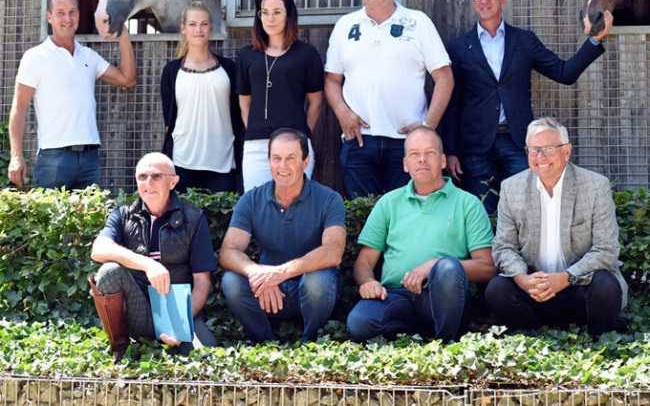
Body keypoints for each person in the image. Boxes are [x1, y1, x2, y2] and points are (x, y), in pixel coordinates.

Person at [441, 0, 614, 216]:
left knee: (525, 212)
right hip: (475, 147)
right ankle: (489, 256)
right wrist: (450, 151)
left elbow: (564, 73)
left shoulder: (523, 40)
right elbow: (452, 104)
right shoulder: (459, 47)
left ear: (503, 0)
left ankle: (521, 256)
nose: (484, 0)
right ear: (473, 1)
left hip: (517, 142)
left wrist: (594, 40)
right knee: (483, 214)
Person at [346, 126, 496, 343]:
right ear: (406, 164)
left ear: (443, 161)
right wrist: (368, 282)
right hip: (395, 296)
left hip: (443, 298)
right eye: (415, 154)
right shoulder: (389, 203)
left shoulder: (468, 204)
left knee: (447, 268)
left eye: (430, 153)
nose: (422, 160)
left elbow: (488, 268)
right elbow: (364, 262)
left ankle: (445, 343)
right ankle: (417, 336)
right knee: (359, 322)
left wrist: (435, 265)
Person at [485, 117, 627, 336]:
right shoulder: (511, 188)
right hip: (535, 291)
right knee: (497, 288)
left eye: (549, 149)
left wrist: (565, 278)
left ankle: (600, 342)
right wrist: (523, 279)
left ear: (566, 152)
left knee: (605, 284)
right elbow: (504, 247)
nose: (540, 157)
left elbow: (606, 249)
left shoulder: (595, 186)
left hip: (579, 286)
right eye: (534, 150)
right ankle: (534, 339)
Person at [325, 0, 453, 199]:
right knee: (365, 219)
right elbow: (331, 80)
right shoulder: (345, 26)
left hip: (408, 143)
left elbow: (445, 78)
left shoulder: (418, 23)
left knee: (407, 215)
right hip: (359, 140)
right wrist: (343, 113)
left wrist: (428, 126)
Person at [219, 128, 346, 343]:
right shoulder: (251, 200)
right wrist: (258, 273)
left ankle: (311, 343)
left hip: (309, 288)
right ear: (268, 161)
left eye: (291, 158)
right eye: (276, 158)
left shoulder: (329, 199)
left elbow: (333, 252)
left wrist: (280, 273)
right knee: (231, 281)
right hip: (268, 291)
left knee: (319, 280)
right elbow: (228, 252)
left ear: (306, 162)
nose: (282, 166)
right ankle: (264, 343)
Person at [90, 152, 217, 361]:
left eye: (156, 176)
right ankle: (122, 345)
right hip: (138, 312)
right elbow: (99, 249)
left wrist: (180, 323)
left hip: (178, 310)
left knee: (205, 357)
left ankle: (177, 338)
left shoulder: (194, 218)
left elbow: (202, 282)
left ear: (173, 182)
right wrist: (147, 264)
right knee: (108, 272)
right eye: (142, 177)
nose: (148, 183)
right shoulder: (122, 215)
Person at [8, 0, 136, 190]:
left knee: (90, 221)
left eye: (72, 12)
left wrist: (124, 36)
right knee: (49, 221)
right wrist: (16, 156)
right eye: (60, 13)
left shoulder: (88, 56)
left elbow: (127, 79)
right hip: (54, 157)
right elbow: (19, 106)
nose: (67, 18)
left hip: (89, 157)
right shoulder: (35, 57)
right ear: (49, 17)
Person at [236, 0, 324, 191]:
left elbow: (316, 102)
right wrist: (256, 129)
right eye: (264, 13)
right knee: (257, 207)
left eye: (277, 12)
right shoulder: (247, 55)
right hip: (256, 147)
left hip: (294, 146)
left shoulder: (306, 53)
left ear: (288, 16)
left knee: (294, 207)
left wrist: (301, 135)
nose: (270, 18)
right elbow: (244, 103)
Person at [161, 1, 242, 193]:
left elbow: (238, 115)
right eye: (192, 24)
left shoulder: (228, 69)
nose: (198, 29)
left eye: (204, 24)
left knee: (221, 220)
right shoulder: (171, 72)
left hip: (221, 161)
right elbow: (169, 121)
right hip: (182, 161)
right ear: (183, 29)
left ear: (211, 28)